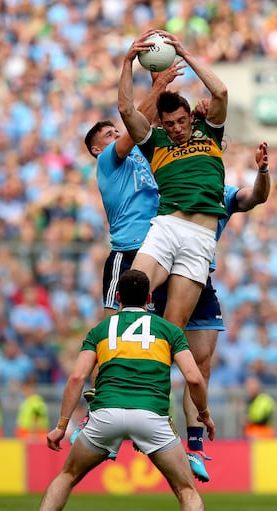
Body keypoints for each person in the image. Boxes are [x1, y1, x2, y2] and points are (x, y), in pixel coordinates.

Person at [35, 270, 215, 511]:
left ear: (118, 297)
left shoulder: (100, 330)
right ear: (149, 298)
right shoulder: (169, 331)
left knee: (67, 475)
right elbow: (194, 378)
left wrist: (61, 426)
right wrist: (204, 414)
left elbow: (77, 377)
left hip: (105, 414)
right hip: (151, 417)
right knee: (187, 490)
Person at [151, 134, 270, 478]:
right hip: (164, 274)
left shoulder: (223, 193)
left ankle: (194, 445)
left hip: (200, 278)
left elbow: (255, 197)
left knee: (200, 364)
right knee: (155, 353)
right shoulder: (169, 178)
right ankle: (142, 422)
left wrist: (262, 172)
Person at [118, 29, 229, 332]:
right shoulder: (155, 142)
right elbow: (126, 110)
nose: (177, 128)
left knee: (173, 327)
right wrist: (128, 61)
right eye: (170, 124)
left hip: (200, 238)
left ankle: (156, 380)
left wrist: (185, 53)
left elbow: (220, 93)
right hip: (167, 227)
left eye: (182, 121)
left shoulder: (210, 133)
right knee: (130, 295)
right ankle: (112, 377)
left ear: (191, 117)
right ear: (163, 124)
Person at [85, 55, 186, 317]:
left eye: (116, 132)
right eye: (109, 135)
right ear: (97, 149)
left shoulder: (139, 154)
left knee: (156, 326)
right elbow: (134, 123)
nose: (116, 134)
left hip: (158, 249)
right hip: (128, 250)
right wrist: (157, 86)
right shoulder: (107, 162)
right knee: (115, 326)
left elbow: (147, 122)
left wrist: (160, 88)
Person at [15, 374, 49, 442]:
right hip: (27, 435)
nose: (23, 392)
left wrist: (34, 435)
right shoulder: (28, 401)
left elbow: (37, 419)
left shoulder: (35, 401)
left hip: (33, 435)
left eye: (25, 389)